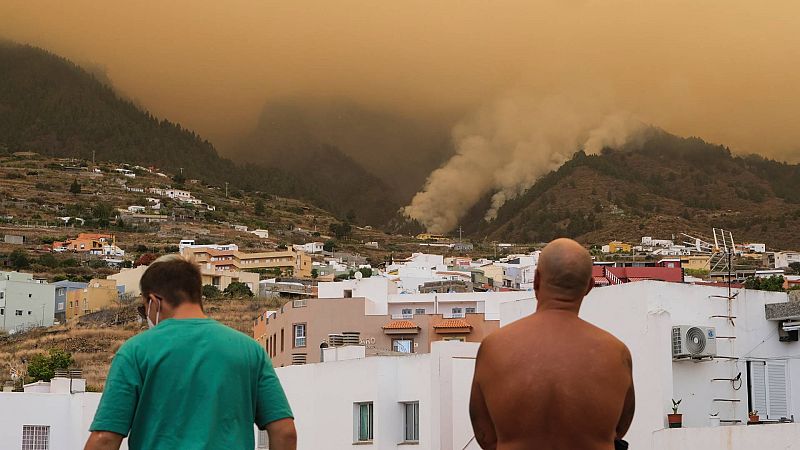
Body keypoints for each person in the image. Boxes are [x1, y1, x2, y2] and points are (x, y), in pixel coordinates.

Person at [84, 255, 297, 450]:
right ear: (197, 295)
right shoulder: (250, 351)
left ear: (155, 301)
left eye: (144, 308)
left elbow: (104, 439)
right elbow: (285, 433)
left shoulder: (135, 352)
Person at [469, 238, 635, 450]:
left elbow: (485, 436)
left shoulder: (494, 347)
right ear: (589, 287)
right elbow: (619, 430)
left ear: (537, 280)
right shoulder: (616, 353)